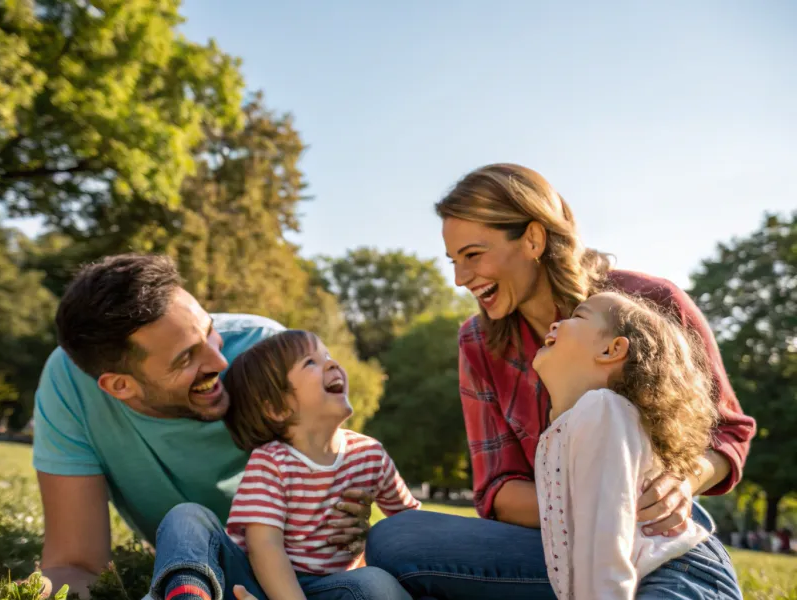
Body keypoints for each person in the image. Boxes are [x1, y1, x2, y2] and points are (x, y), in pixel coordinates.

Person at [365, 164, 756, 599]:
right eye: (454, 261)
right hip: (552, 545)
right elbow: (496, 488)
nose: (460, 278)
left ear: (533, 239)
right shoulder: (477, 342)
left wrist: (680, 484)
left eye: (473, 255)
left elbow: (728, 431)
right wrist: (591, 507)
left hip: (656, 540)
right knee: (395, 539)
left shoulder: (649, 303)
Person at [30, 255, 372, 599]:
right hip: (192, 559)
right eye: (186, 358)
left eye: (210, 331)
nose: (220, 362)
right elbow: (76, 565)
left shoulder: (271, 357)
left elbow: (338, 519)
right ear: (120, 386)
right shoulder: (70, 385)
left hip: (294, 572)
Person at [153, 329, 419, 600]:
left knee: (374, 584)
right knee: (186, 517)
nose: (332, 363)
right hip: (254, 586)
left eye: (327, 355)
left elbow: (412, 525)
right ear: (278, 409)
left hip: (330, 589)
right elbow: (265, 546)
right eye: (310, 362)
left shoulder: (370, 455)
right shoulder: (272, 462)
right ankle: (190, 594)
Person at [532, 291, 718, 598]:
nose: (555, 324)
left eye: (577, 316)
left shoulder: (601, 410)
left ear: (612, 349)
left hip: (677, 573)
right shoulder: (569, 426)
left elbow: (605, 542)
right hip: (651, 574)